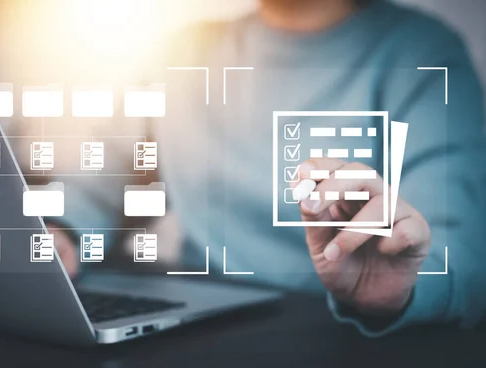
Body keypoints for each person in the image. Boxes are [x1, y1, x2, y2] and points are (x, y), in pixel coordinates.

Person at [50, 0, 486, 336]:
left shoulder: (422, 53)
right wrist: (62, 230)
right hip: (193, 323)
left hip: (339, 334)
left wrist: (405, 290)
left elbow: (460, 248)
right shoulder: (179, 52)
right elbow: (103, 180)